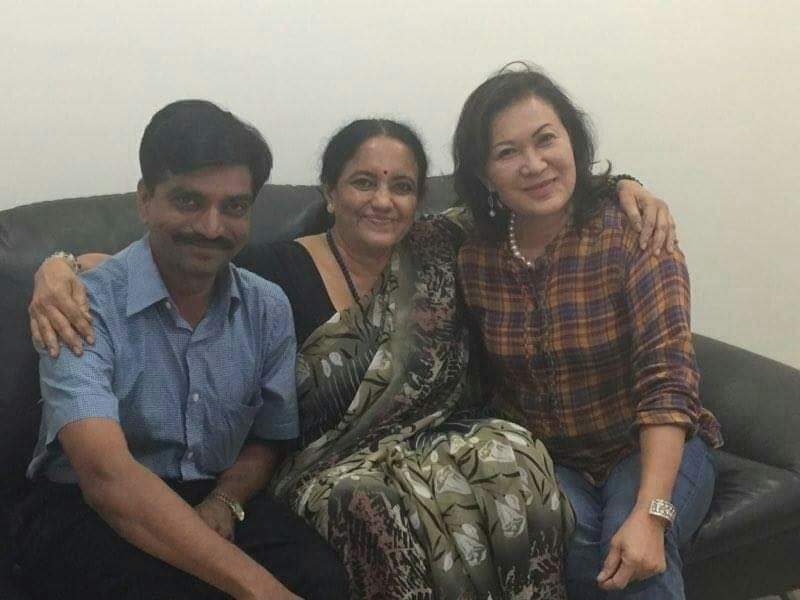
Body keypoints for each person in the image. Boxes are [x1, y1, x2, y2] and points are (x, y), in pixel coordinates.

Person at [29, 120, 676, 598]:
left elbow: (525, 196)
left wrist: (622, 185)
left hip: (277, 479)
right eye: (364, 182)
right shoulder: (263, 272)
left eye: (402, 186)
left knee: (508, 462)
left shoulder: (427, 249)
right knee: (364, 511)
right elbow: (171, 266)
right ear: (331, 191)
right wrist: (58, 267)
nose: (382, 200)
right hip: (146, 498)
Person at [13, 99, 349, 600]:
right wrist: (262, 591)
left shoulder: (266, 306)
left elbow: (268, 438)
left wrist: (225, 499)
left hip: (210, 492)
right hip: (83, 506)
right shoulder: (80, 304)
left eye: (234, 207)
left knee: (322, 577)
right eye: (189, 201)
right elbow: (106, 475)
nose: (212, 227)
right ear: (144, 200)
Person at [453, 64, 723, 600]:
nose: (534, 165)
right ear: (485, 175)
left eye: (546, 139)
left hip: (645, 447)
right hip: (549, 462)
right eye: (507, 152)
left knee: (636, 554)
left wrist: (651, 514)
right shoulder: (474, 257)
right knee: (579, 556)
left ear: (572, 142)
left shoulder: (635, 231)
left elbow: (668, 378)